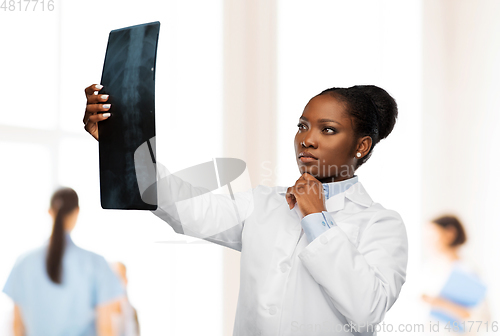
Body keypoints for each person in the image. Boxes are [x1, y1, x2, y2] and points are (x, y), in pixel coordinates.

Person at [83, 84, 408, 335]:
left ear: (361, 146)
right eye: (302, 126)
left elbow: (368, 308)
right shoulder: (265, 202)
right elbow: (188, 207)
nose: (307, 140)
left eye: (327, 129)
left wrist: (317, 219)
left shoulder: (380, 223)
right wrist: (120, 145)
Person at [2, 187, 125, 336]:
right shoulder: (96, 264)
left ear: (50, 212)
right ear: (77, 212)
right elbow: (106, 329)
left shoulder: (23, 263)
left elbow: (17, 327)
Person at [421, 215, 490, 335]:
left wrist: (442, 304)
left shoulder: (468, 271)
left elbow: (483, 319)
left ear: (450, 233)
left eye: (432, 235)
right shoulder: (427, 268)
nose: (428, 241)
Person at [110, 262, 140, 336]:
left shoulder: (132, 311)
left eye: (124, 276)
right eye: (119, 276)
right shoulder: (99, 312)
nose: (125, 280)